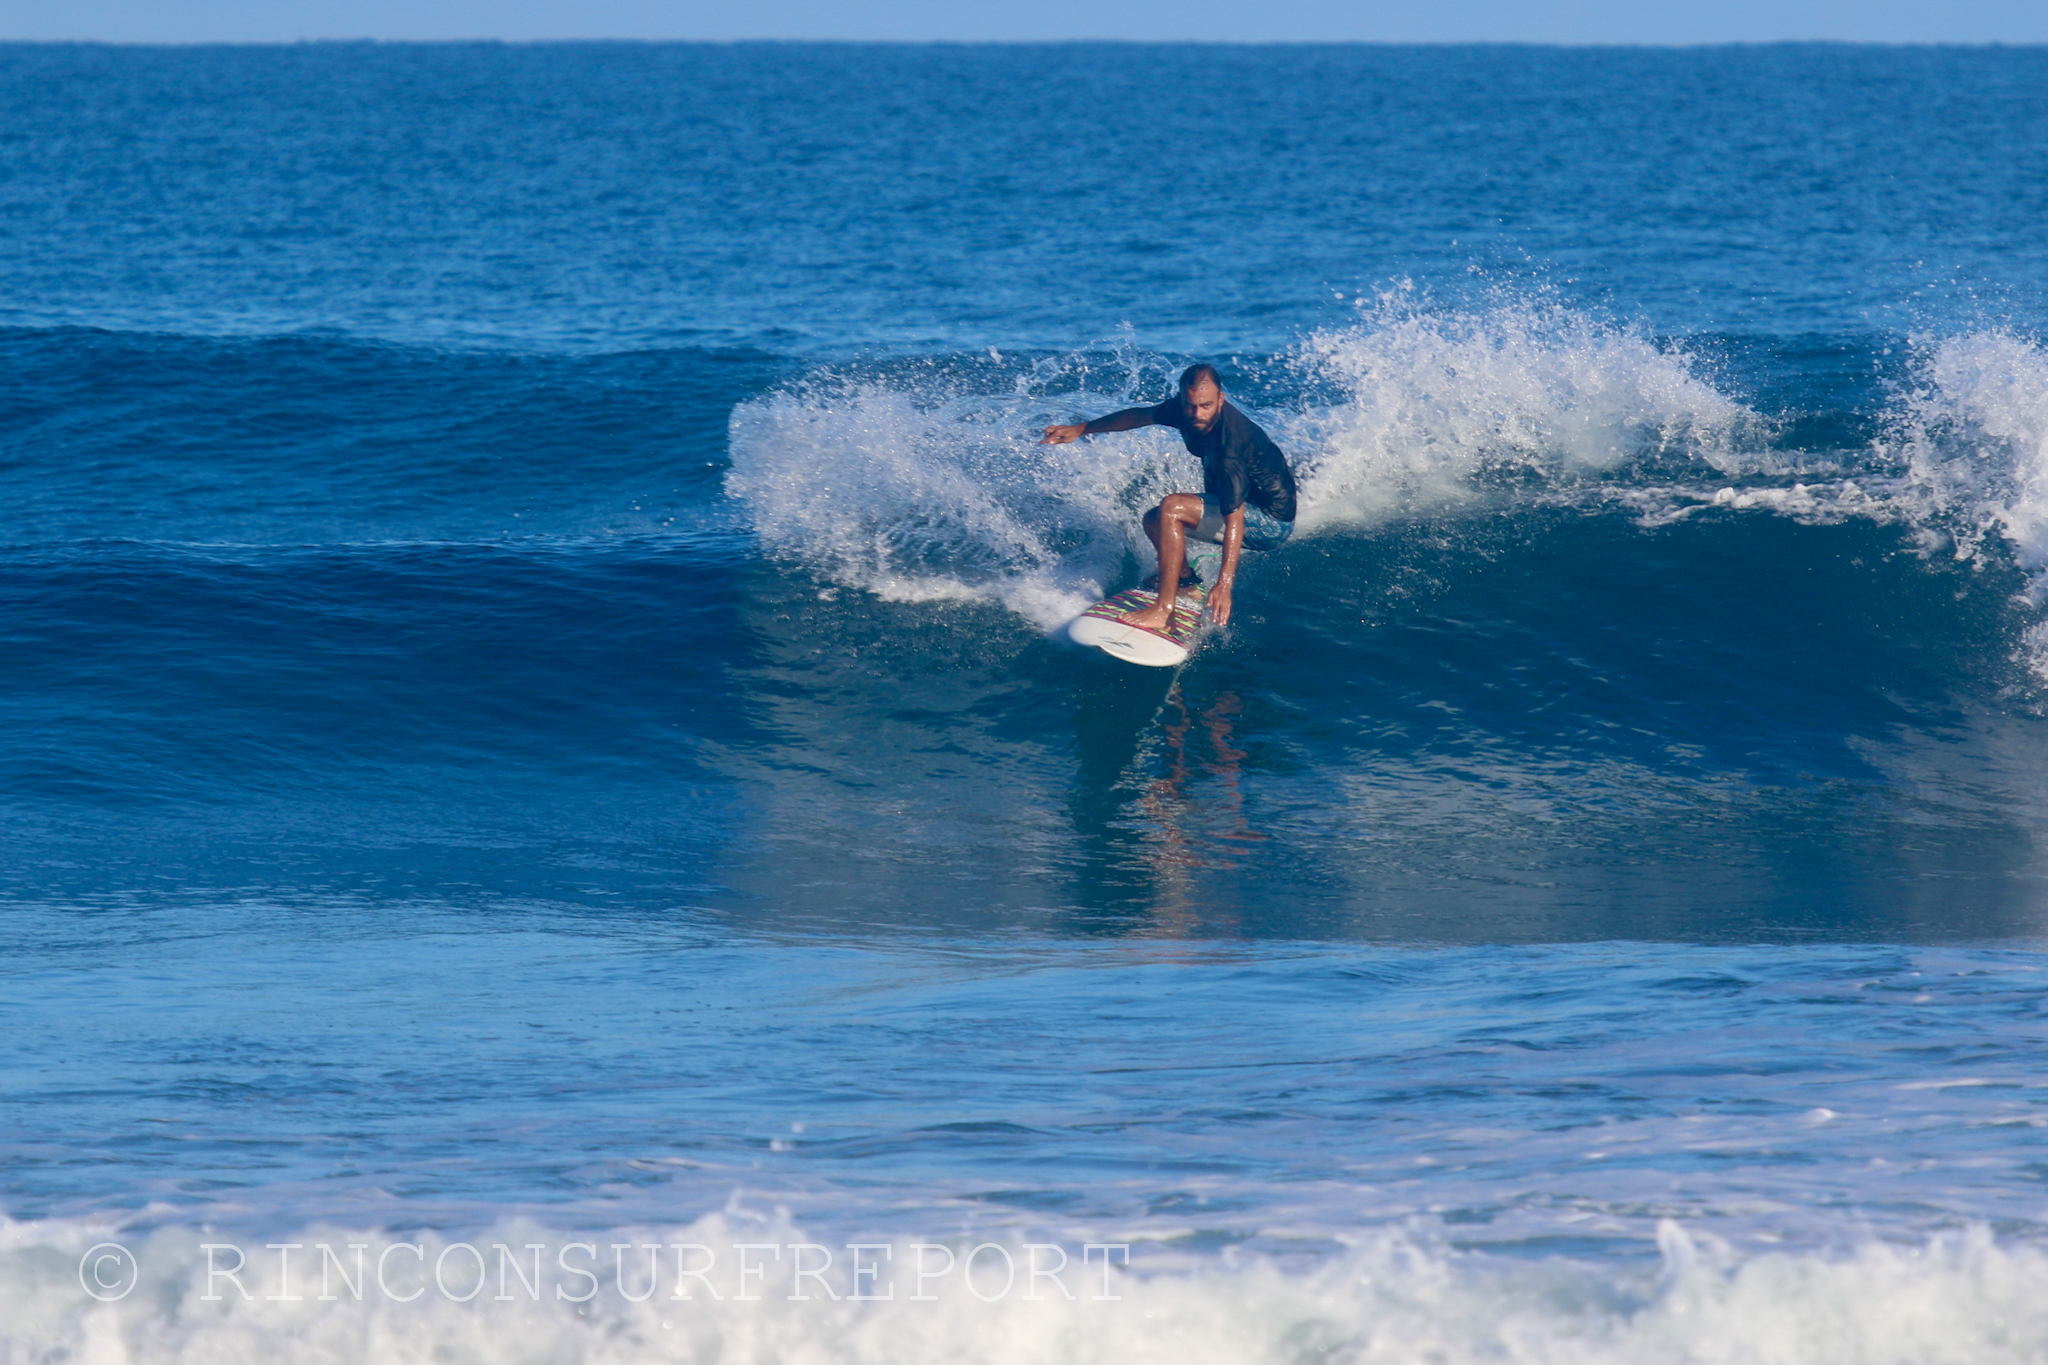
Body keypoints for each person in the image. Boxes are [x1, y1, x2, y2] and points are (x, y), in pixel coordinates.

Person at [1040, 364, 1297, 631]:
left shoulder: (1232, 444)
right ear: (1182, 399)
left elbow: (1236, 519)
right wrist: (1082, 429)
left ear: (1221, 399)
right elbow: (1139, 417)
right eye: (1191, 406)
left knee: (1172, 507)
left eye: (1206, 406)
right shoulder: (1185, 410)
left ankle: (1164, 611)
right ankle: (1186, 585)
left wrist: (1224, 584)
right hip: (1232, 501)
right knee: (1155, 519)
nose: (1197, 414)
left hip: (1270, 521)